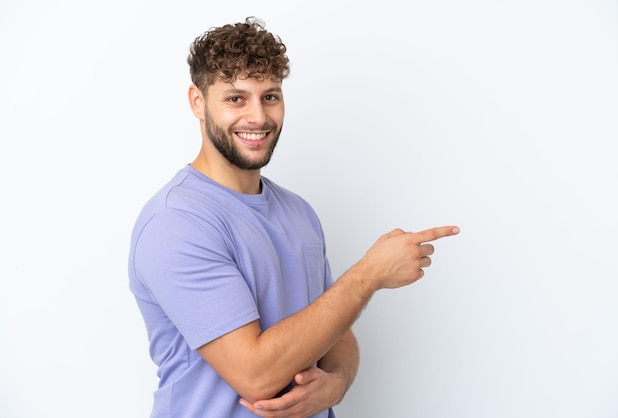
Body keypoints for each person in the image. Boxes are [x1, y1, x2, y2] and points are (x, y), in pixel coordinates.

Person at [128, 17, 459, 418]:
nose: (258, 117)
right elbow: (255, 375)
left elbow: (337, 333)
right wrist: (368, 275)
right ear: (198, 102)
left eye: (270, 96)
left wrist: (336, 383)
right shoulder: (176, 223)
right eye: (236, 98)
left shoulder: (298, 212)